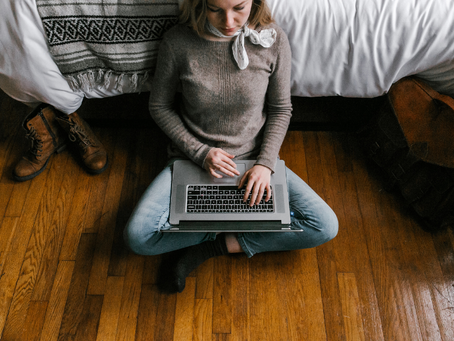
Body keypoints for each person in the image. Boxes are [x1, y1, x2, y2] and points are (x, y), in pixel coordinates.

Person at [123, 0, 338, 293]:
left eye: (239, 7)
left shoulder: (272, 38)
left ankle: (211, 246)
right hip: (192, 160)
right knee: (137, 237)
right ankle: (225, 227)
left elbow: (280, 109)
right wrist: (200, 152)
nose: (228, 21)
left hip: (253, 159)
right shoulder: (178, 41)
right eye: (215, 9)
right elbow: (159, 106)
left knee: (324, 225)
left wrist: (265, 164)